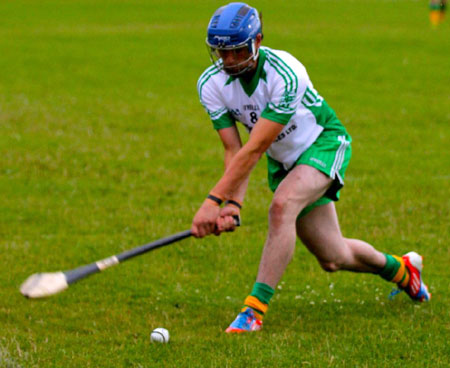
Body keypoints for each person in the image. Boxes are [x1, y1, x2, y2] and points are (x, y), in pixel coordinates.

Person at [191, 2, 431, 333]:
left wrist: (211, 202)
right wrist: (232, 203)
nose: (228, 61)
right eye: (221, 52)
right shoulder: (211, 84)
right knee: (333, 257)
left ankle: (253, 312)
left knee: (281, 207)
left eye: (236, 51)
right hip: (285, 160)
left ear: (257, 41)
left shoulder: (285, 74)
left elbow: (257, 146)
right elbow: (235, 149)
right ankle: (402, 270)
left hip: (322, 143)